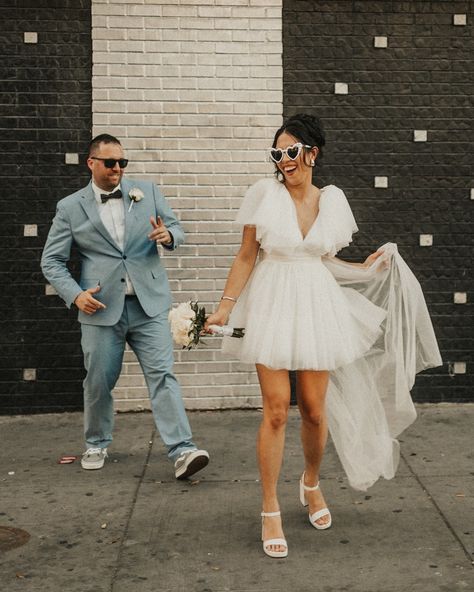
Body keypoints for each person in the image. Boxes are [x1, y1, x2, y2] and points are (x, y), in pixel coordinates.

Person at [205, 113, 441, 558]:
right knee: (275, 410)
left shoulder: (331, 200)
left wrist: (365, 268)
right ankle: (270, 507)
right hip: (271, 303)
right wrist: (225, 306)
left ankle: (310, 482)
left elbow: (325, 261)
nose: (283, 160)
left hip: (316, 304)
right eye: (277, 153)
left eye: (291, 151)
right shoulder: (263, 194)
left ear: (312, 153)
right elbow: (245, 256)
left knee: (313, 410)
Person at [41, 133, 209, 480]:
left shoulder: (146, 191)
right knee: (99, 381)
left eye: (122, 162)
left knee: (163, 376)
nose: (118, 168)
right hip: (100, 309)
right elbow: (52, 261)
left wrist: (169, 236)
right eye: (110, 163)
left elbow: (177, 228)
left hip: (149, 305)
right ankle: (97, 442)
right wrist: (75, 294)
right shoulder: (70, 207)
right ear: (92, 163)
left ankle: (183, 450)